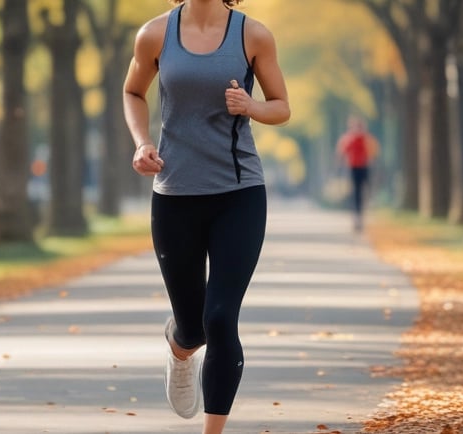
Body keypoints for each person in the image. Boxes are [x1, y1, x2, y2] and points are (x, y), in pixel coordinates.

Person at [122, 0, 290, 433]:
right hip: (175, 195)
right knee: (194, 327)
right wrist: (142, 144)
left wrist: (250, 107)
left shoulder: (252, 35)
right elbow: (133, 91)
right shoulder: (154, 34)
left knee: (220, 317)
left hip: (240, 193)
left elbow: (281, 106)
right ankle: (181, 349)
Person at [335, 115, 379, 231]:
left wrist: (339, 164)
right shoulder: (354, 138)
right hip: (355, 168)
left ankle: (359, 215)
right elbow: (342, 152)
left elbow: (372, 152)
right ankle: (358, 216)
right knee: (358, 193)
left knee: (360, 192)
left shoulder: (359, 138)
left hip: (361, 167)